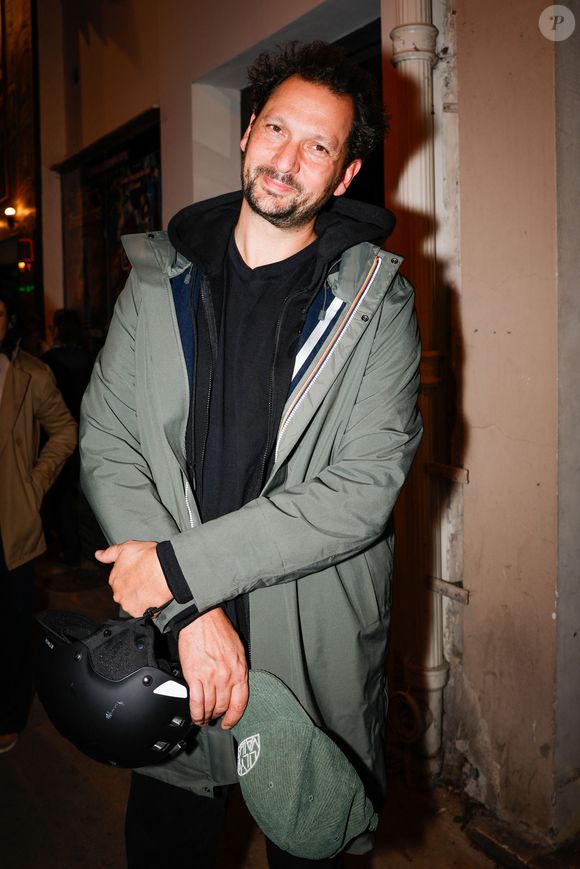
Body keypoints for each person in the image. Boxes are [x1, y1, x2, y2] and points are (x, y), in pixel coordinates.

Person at [80, 41, 422, 867]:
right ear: (245, 135)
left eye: (318, 146)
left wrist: (177, 570)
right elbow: (108, 441)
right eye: (276, 129)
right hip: (177, 647)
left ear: (344, 176)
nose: (286, 159)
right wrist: (189, 609)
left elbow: (361, 490)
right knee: (167, 847)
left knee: (311, 842)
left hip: (313, 651)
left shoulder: (377, 302)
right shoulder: (157, 279)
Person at [0, 291, 76, 754]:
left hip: (11, 527)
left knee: (10, 629)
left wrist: (34, 483)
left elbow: (64, 430)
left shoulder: (31, 374)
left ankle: (8, 715)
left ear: (8, 319)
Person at [42, 309, 94, 566]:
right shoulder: (89, 358)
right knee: (86, 495)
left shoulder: (48, 360)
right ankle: (90, 552)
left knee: (62, 496)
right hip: (88, 432)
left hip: (61, 435)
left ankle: (70, 552)